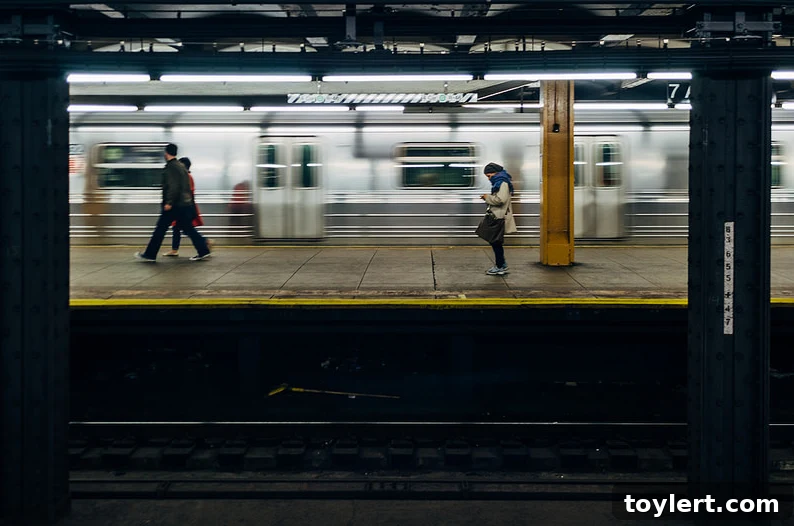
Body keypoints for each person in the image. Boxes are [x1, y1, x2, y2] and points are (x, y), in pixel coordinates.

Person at [134, 144, 211, 262]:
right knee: (188, 228)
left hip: (174, 205)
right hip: (183, 205)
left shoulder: (171, 167)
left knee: (160, 229)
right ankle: (203, 250)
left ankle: (150, 254)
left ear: (166, 153)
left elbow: (173, 186)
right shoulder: (181, 166)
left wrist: (169, 202)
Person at [163, 157, 206, 257]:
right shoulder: (185, 176)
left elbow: (187, 193)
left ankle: (204, 243)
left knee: (186, 229)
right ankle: (175, 250)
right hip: (183, 206)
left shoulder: (187, 177)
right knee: (177, 228)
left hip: (185, 207)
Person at [480, 162, 517, 276]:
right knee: (495, 241)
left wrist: (487, 197)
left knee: (495, 242)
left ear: (495, 173)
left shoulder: (502, 183)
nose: (488, 178)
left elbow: (500, 199)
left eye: (489, 176)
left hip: (498, 217)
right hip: (497, 216)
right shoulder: (500, 182)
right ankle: (501, 264)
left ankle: (500, 266)